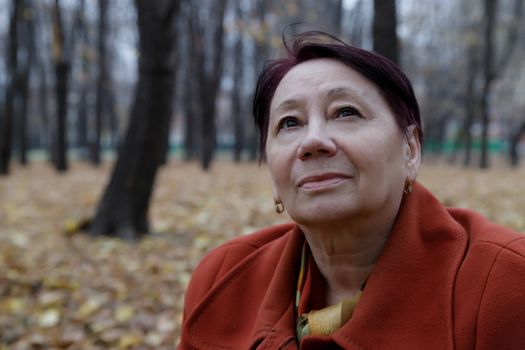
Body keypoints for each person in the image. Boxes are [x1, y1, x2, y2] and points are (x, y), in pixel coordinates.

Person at [178, 31, 525, 349]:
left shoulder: (504, 284)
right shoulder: (222, 280)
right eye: (290, 122)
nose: (312, 141)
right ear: (271, 171)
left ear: (411, 150)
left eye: (346, 112)